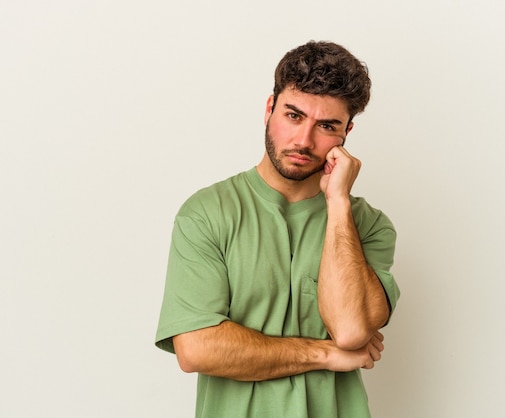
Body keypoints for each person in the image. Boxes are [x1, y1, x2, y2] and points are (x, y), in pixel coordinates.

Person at [155, 40, 400, 418]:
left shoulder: (368, 226)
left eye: (327, 126)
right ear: (270, 109)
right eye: (294, 116)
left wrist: (338, 204)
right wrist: (324, 354)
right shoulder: (206, 214)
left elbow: (351, 332)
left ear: (346, 134)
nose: (304, 140)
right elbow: (197, 349)